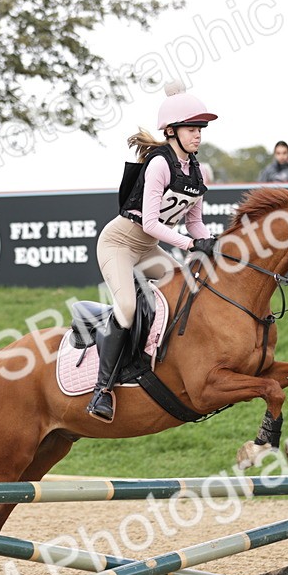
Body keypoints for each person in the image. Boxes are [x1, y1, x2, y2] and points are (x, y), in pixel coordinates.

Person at [87, 81, 218, 422]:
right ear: (172, 132)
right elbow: (149, 224)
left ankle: (157, 360)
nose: (198, 136)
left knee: (186, 289)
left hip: (148, 250)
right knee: (128, 306)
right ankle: (102, 391)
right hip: (119, 243)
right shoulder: (159, 165)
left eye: (200, 130)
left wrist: (212, 243)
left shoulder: (198, 173)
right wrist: (190, 245)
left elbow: (195, 223)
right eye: (192, 129)